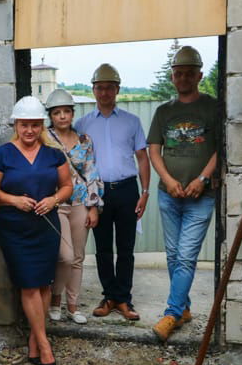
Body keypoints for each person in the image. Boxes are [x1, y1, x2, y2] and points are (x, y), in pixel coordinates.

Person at [0, 96, 73, 365]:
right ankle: (44, 343)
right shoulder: (2, 154)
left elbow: (67, 186)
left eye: (35, 125)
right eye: (24, 125)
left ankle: (34, 342)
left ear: (41, 126)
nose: (29, 130)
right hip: (14, 228)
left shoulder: (54, 154)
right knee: (28, 284)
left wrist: (53, 201)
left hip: (45, 226)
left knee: (44, 285)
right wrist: (14, 200)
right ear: (16, 124)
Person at [147, 46, 218, 342]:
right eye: (179, 73)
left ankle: (172, 313)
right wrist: (167, 179)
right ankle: (185, 308)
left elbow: (220, 149)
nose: (184, 78)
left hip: (201, 197)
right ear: (173, 77)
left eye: (190, 73)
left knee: (186, 257)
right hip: (169, 194)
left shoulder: (213, 108)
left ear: (199, 75)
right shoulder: (164, 111)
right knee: (174, 256)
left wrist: (203, 178)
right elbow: (154, 149)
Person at [74, 64, 150, 322]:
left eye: (109, 87)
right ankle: (109, 297)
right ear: (93, 90)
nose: (104, 92)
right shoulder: (82, 124)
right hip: (99, 193)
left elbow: (142, 158)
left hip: (128, 189)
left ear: (117, 89)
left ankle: (124, 299)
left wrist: (146, 191)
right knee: (103, 248)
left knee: (126, 248)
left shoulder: (132, 121)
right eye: (99, 87)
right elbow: (76, 162)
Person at [45, 89, 104, 325]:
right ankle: (54, 300)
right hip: (56, 202)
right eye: (57, 112)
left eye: (66, 111)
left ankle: (73, 305)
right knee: (64, 256)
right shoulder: (43, 138)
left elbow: (91, 172)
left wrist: (93, 207)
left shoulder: (84, 140)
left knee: (78, 257)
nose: (62, 117)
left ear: (72, 113)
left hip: (80, 201)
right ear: (50, 115)